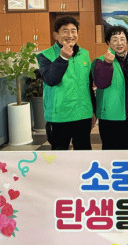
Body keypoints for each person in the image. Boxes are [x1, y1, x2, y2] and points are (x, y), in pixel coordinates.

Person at [37, 16, 96, 150]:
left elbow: (88, 84)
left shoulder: (84, 54)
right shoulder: (45, 56)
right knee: (59, 154)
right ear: (56, 35)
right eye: (65, 31)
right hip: (59, 115)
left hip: (83, 113)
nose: (70, 35)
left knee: (84, 152)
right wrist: (63, 58)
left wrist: (93, 109)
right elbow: (51, 80)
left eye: (73, 31)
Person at [92, 25, 128, 150]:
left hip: (126, 112)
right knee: (109, 149)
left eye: (122, 39)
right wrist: (107, 64)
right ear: (108, 42)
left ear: (127, 41)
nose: (119, 43)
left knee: (123, 148)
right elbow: (101, 83)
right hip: (109, 113)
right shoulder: (100, 61)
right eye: (115, 39)